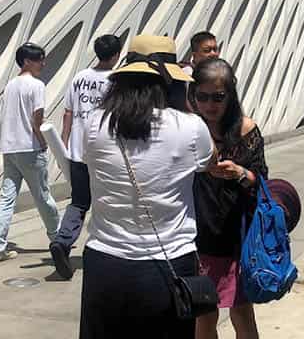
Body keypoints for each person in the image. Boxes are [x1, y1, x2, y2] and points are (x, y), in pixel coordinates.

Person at [80, 34, 214, 339]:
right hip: (170, 265)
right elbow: (208, 162)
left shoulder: (95, 123)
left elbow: (88, 161)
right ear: (171, 81)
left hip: (105, 263)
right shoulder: (190, 128)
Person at [192, 58, 268, 339]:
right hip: (198, 235)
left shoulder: (246, 130)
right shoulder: (190, 128)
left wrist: (239, 172)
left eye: (218, 97)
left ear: (231, 96)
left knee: (242, 313)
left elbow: (261, 181)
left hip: (236, 235)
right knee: (203, 316)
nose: (210, 105)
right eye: (202, 96)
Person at [49, 34, 121, 280]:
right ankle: (105, 251)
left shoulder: (79, 77)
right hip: (104, 151)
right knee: (108, 201)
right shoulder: (116, 80)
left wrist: (65, 143)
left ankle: (63, 240)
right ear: (115, 55)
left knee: (79, 202)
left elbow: (68, 113)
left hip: (78, 151)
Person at [0, 43, 59, 263]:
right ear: (27, 61)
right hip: (30, 147)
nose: (43, 63)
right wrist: (42, 141)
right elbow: (37, 118)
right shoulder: (36, 85)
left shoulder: (9, 86)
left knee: (6, 198)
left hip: (10, 149)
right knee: (42, 196)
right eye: (39, 59)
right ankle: (58, 238)